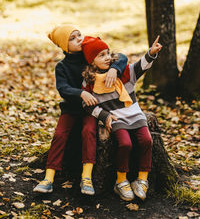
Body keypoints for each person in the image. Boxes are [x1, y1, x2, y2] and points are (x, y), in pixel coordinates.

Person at [33, 25, 128, 195]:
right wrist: (81, 94)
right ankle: (49, 177)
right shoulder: (62, 67)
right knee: (60, 135)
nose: (79, 39)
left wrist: (114, 68)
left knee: (89, 131)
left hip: (91, 111)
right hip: (70, 109)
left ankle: (87, 177)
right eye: (73, 38)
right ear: (64, 46)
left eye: (79, 35)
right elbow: (63, 88)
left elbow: (121, 57)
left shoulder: (88, 56)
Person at [81, 35, 162, 201]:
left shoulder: (123, 72)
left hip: (135, 114)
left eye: (107, 53)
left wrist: (151, 53)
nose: (107, 58)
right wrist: (103, 115)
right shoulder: (89, 82)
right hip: (116, 119)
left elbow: (140, 66)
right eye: (101, 55)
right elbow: (87, 105)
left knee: (147, 141)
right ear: (91, 61)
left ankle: (142, 179)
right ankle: (121, 181)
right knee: (125, 144)